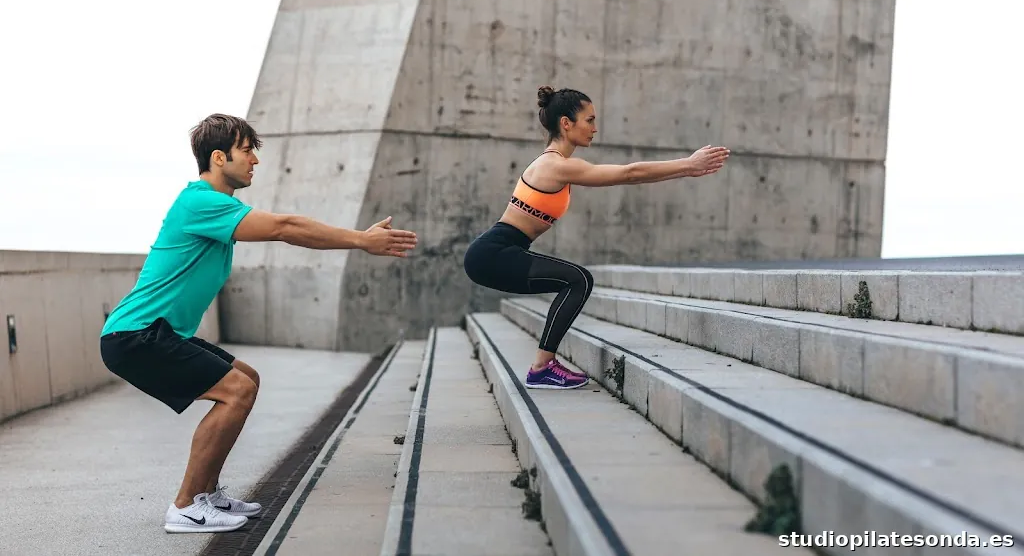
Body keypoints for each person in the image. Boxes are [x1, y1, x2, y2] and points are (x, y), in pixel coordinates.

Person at [99, 113, 418, 534]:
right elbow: (285, 228)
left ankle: (207, 493)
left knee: (245, 378)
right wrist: (361, 240)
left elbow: (283, 227)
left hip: (157, 333)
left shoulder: (216, 207)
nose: (255, 161)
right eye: (247, 150)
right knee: (236, 391)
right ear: (219, 157)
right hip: (135, 335)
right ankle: (186, 506)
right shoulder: (200, 202)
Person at [463, 86, 730, 390]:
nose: (594, 128)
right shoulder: (555, 165)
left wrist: (685, 171)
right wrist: (687, 164)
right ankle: (542, 367)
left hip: (495, 253)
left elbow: (631, 176)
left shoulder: (555, 164)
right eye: (588, 120)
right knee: (578, 280)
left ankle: (543, 366)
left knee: (576, 280)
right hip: (493, 253)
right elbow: (629, 173)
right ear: (566, 123)